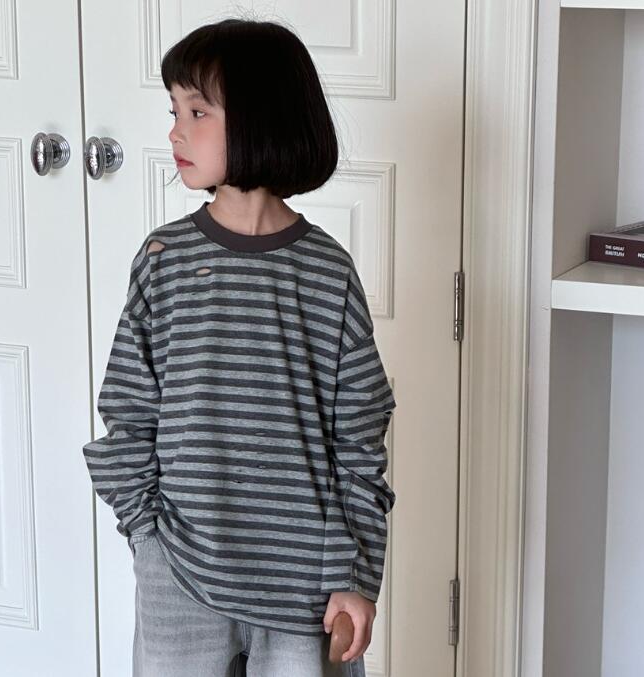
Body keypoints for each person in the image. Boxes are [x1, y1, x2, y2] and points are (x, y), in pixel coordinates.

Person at [81, 16, 397, 677]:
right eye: (174, 111)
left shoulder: (327, 273)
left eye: (197, 112)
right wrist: (148, 536)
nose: (176, 131)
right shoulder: (164, 262)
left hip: (306, 586)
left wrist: (355, 573)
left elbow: (360, 437)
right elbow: (128, 415)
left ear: (262, 118)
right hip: (181, 572)